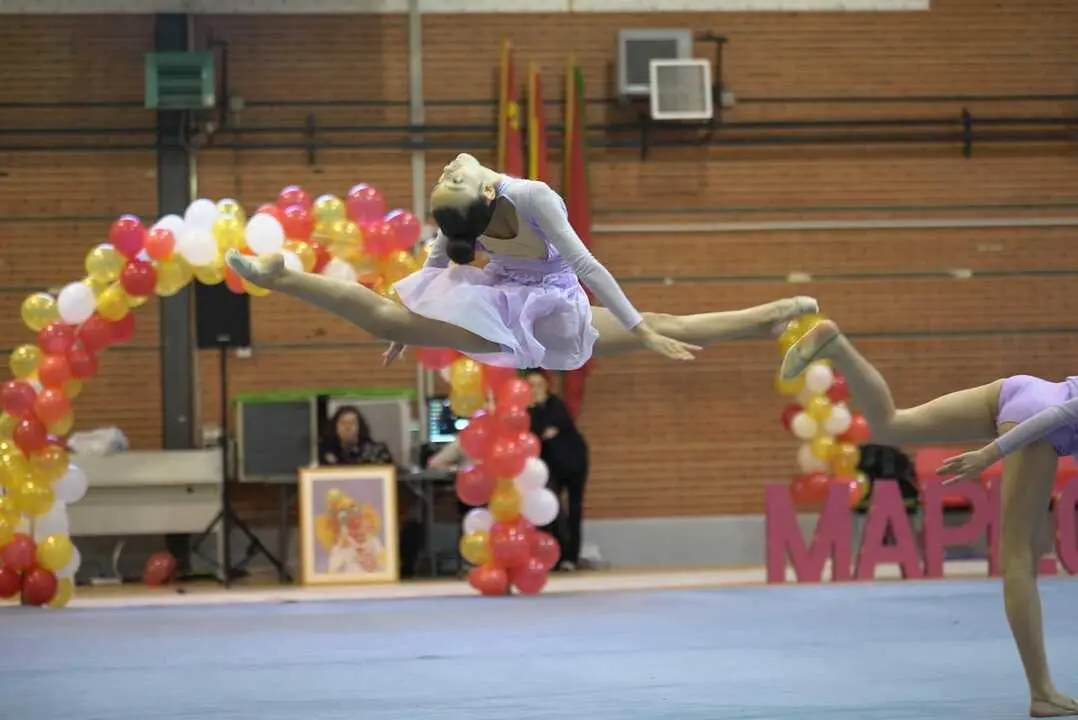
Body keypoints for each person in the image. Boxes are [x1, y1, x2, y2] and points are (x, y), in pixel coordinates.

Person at [224, 153, 818, 370]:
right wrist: (410, 324)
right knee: (385, 318)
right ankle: (284, 277)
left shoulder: (534, 197)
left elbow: (585, 267)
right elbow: (436, 265)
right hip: (501, 297)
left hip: (554, 301)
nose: (451, 166)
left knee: (659, 326)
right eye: (451, 176)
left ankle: (778, 312)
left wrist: (635, 326)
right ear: (481, 198)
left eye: (449, 174)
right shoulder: (482, 211)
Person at [780, 319, 1078, 718]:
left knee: (891, 425)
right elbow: (1058, 414)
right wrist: (991, 454)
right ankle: (1042, 692)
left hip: (1020, 390)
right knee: (1019, 557)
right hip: (1040, 421)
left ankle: (838, 348)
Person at [524, 369, 589, 571]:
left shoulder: (555, 404)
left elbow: (549, 428)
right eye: (531, 386)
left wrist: (540, 421)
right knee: (554, 509)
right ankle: (557, 554)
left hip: (575, 461)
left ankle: (571, 557)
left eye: (539, 386)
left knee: (575, 508)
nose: (535, 390)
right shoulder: (526, 409)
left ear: (546, 387)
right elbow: (535, 433)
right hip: (550, 465)